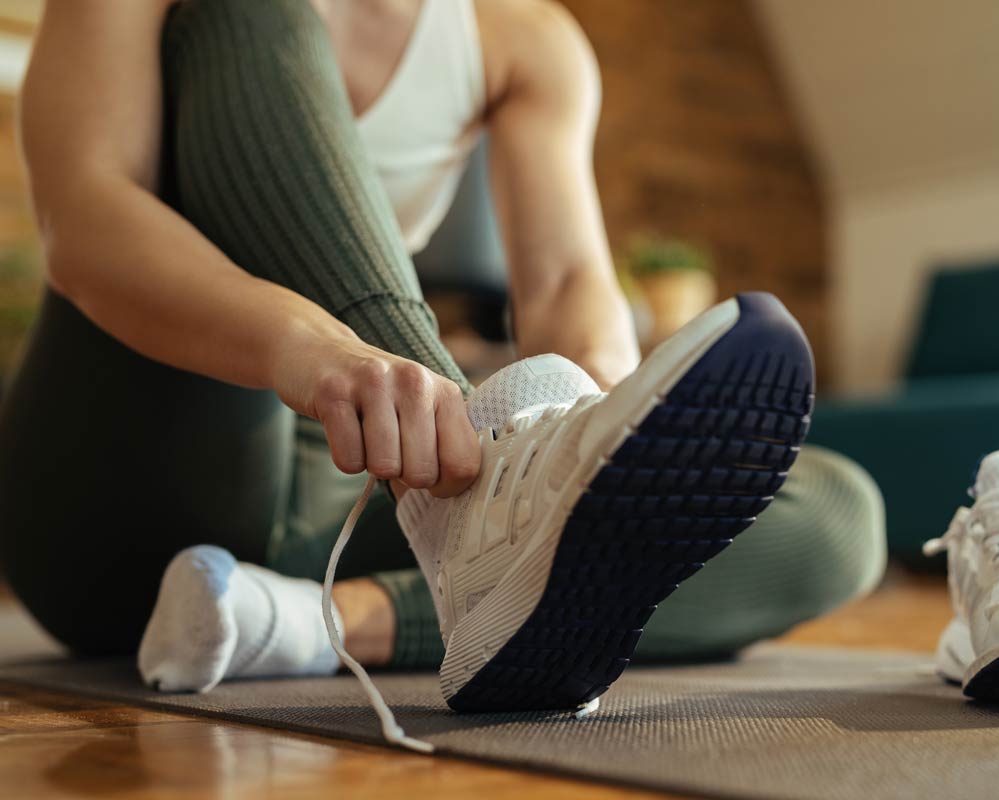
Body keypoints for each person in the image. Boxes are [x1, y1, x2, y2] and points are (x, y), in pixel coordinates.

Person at [0, 0, 885, 725]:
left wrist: (601, 428)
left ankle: (329, 622)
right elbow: (84, 220)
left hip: (351, 489)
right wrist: (317, 350)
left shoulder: (528, 43)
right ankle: (462, 523)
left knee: (838, 511)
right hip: (128, 490)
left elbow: (571, 278)